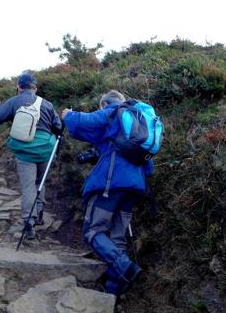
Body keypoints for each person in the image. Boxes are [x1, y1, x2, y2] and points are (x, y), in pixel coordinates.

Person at [61, 90, 155, 296]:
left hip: (110, 185)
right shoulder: (138, 126)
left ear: (105, 104)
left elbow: (83, 121)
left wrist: (67, 114)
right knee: (118, 237)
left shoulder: (113, 111)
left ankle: (125, 266)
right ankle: (114, 290)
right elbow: (149, 167)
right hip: (135, 187)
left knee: (93, 231)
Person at [0, 72, 62, 240]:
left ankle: (29, 222)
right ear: (35, 88)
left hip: (25, 151)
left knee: (29, 186)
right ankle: (39, 213)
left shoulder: (15, 101)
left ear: (19, 88)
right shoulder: (47, 104)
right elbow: (58, 128)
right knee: (40, 182)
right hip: (45, 149)